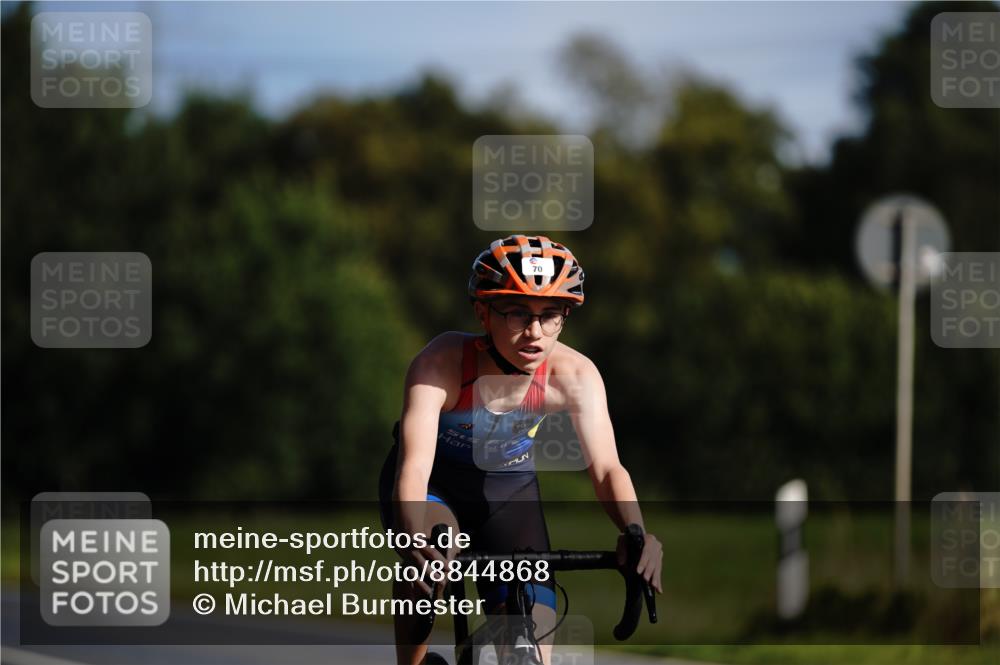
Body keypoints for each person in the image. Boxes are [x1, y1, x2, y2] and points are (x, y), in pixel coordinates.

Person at [378, 234, 662, 665]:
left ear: (565, 317)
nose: (534, 332)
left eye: (549, 315)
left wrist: (637, 531)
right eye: (516, 313)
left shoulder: (575, 375)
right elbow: (415, 466)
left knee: (529, 646)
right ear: (482, 313)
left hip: (507, 492)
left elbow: (606, 469)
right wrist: (412, 534)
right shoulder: (441, 363)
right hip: (435, 486)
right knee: (434, 551)